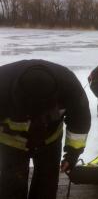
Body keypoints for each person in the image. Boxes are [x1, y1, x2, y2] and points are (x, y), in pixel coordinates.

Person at [0, 60, 91, 199]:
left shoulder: (69, 86)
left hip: (50, 141)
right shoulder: (2, 85)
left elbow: (80, 123)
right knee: (12, 184)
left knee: (47, 184)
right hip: (12, 143)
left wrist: (72, 153)